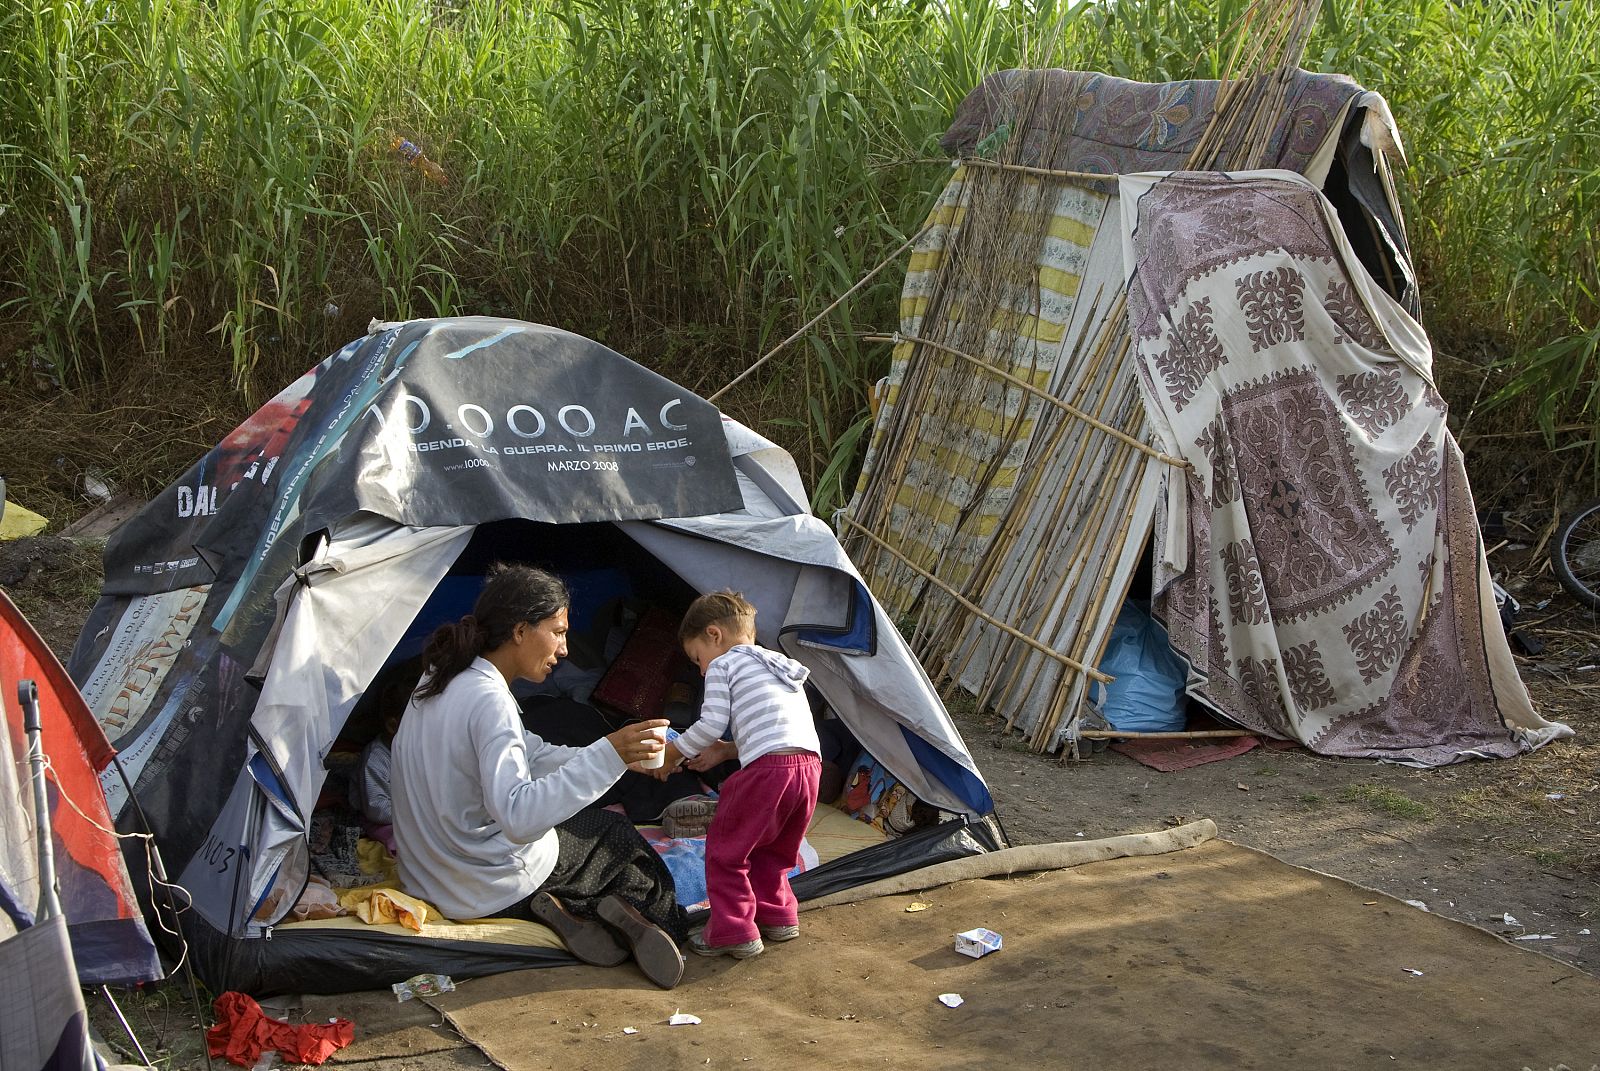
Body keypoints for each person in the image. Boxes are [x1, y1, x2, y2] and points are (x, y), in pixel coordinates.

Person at [390, 563, 688, 989]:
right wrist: (606, 756)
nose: (564, 648)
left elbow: (534, 752)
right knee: (616, 838)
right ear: (520, 631)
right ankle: (618, 918)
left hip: (429, 876)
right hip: (483, 887)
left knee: (574, 827)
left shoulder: (440, 679)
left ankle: (574, 912)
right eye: (559, 630)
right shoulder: (489, 700)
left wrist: (616, 756)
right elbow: (520, 817)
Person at [657, 590, 821, 958]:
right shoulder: (778, 662)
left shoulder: (723, 664)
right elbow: (779, 731)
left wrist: (674, 751)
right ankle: (779, 917)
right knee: (777, 850)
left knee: (726, 851)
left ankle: (733, 931)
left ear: (713, 635)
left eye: (697, 657)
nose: (701, 669)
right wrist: (728, 750)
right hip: (809, 769)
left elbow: (711, 722)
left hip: (766, 772)